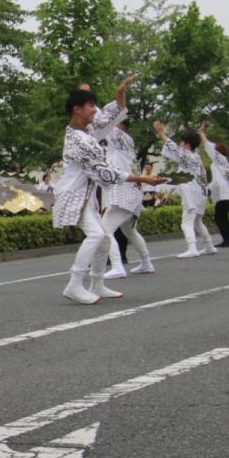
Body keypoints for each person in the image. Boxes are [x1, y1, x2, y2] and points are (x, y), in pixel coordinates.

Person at [54, 86, 165, 304]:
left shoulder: (87, 133)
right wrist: (143, 179)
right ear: (77, 109)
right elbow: (105, 171)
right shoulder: (79, 140)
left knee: (104, 237)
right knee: (97, 235)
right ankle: (74, 284)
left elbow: (107, 122)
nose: (95, 110)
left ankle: (96, 284)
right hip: (74, 195)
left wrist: (120, 95)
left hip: (86, 195)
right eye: (91, 105)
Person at [101, 117, 154, 277]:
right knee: (130, 231)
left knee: (105, 230)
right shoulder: (126, 142)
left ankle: (117, 266)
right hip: (131, 193)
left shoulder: (119, 137)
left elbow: (102, 122)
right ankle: (146, 262)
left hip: (124, 194)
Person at [156, 122, 216, 259]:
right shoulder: (196, 157)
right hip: (201, 193)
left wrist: (161, 133)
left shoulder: (186, 156)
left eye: (182, 142)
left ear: (186, 144)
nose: (180, 144)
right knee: (198, 222)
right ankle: (209, 246)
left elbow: (172, 146)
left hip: (191, 193)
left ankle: (192, 248)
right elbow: (179, 176)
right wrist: (168, 194)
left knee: (186, 223)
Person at [206, 131, 229, 247]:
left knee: (219, 218)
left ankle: (227, 240)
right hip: (228, 193)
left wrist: (209, 189)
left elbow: (216, 181)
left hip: (222, 194)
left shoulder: (217, 162)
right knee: (223, 217)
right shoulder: (226, 163)